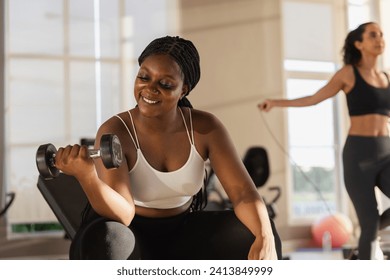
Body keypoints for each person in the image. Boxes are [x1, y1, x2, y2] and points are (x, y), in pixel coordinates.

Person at [54, 35, 282, 260]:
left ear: (183, 89)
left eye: (165, 84)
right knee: (109, 238)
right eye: (144, 77)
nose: (150, 89)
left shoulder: (205, 128)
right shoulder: (116, 130)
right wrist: (88, 176)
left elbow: (243, 194)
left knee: (260, 231)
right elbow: (123, 213)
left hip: (182, 233)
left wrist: (265, 236)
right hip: (129, 232)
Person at [259, 22, 390, 260]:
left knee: (370, 225)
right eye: (373, 35)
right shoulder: (348, 73)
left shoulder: (386, 77)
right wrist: (276, 102)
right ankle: (366, 251)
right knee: (369, 224)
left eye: (381, 35)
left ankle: (369, 232)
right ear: (359, 43)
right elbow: (313, 99)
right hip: (358, 156)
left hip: (386, 152)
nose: (380, 39)